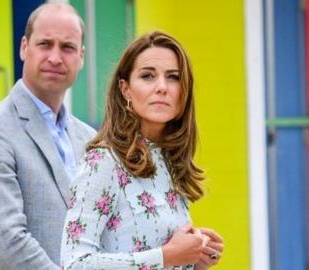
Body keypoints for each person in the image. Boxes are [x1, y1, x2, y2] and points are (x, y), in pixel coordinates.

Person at [60, 31, 224, 270]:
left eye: (173, 77)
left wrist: (191, 259)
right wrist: (167, 256)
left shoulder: (168, 160)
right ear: (126, 89)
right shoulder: (103, 162)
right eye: (148, 76)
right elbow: (74, 263)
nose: (161, 87)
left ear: (184, 91)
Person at [0, 3, 95, 269]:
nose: (55, 58)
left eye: (67, 47)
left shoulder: (90, 139)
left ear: (81, 56)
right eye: (45, 44)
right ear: (24, 47)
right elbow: (8, 243)